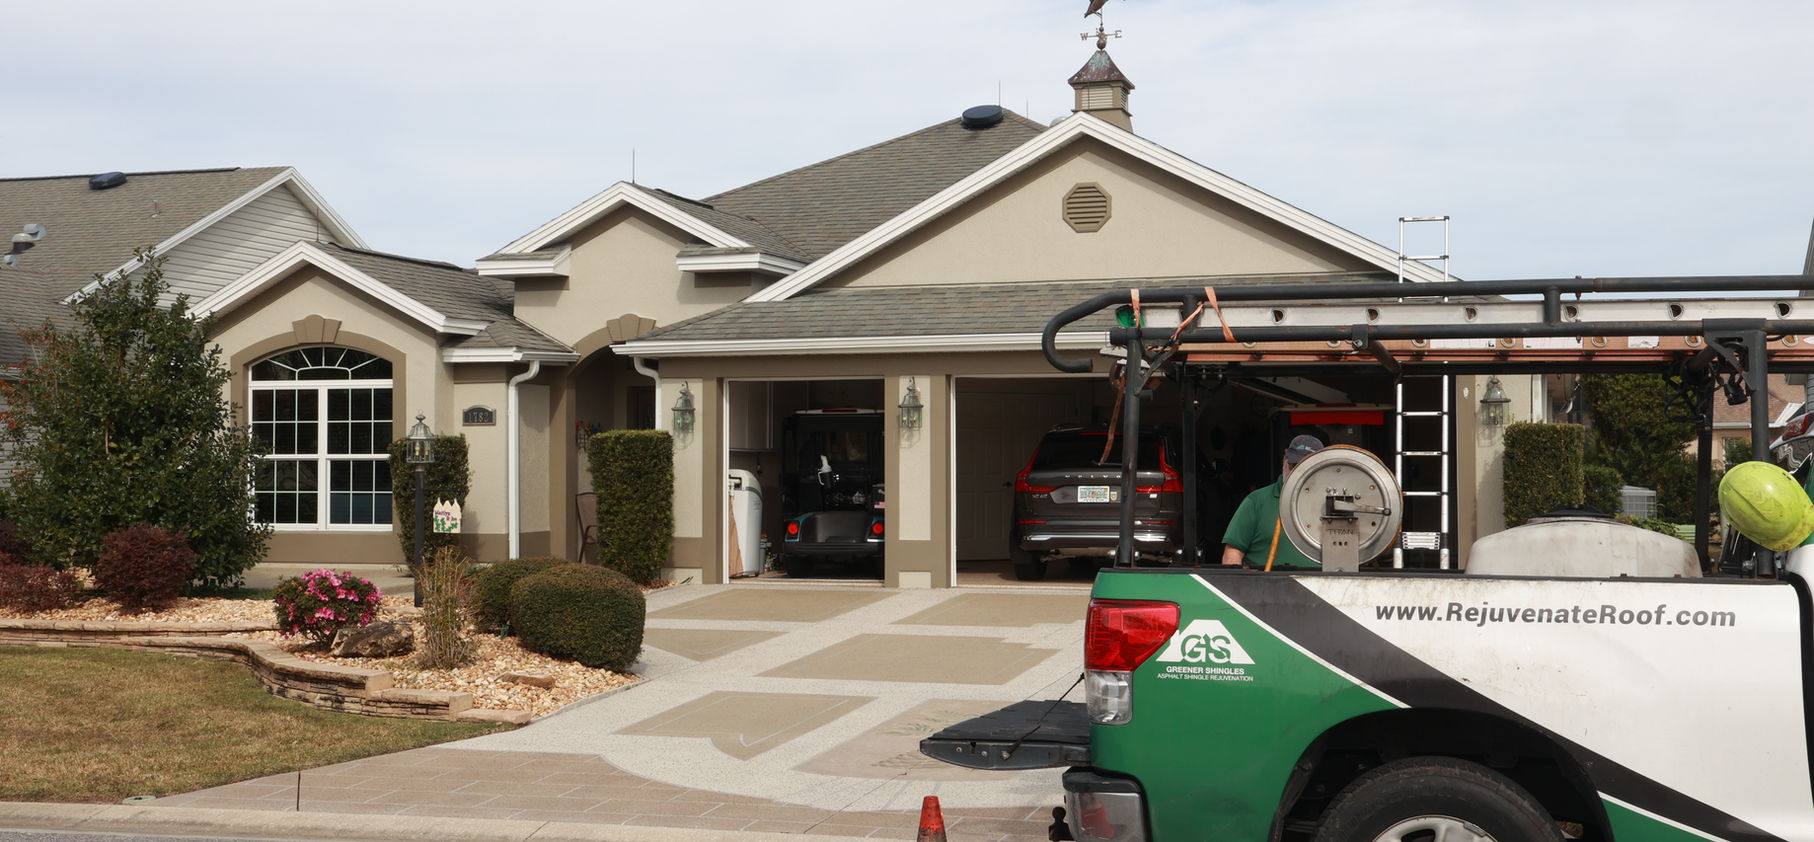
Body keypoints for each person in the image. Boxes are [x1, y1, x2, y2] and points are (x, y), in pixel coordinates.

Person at [1221, 434, 1324, 569]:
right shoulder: (1256, 501)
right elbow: (1232, 554)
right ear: (1284, 462)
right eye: (1294, 466)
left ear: (1322, 469)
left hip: (1320, 588)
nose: (1299, 474)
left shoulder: (1332, 504)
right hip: (1264, 588)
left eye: (1306, 468)